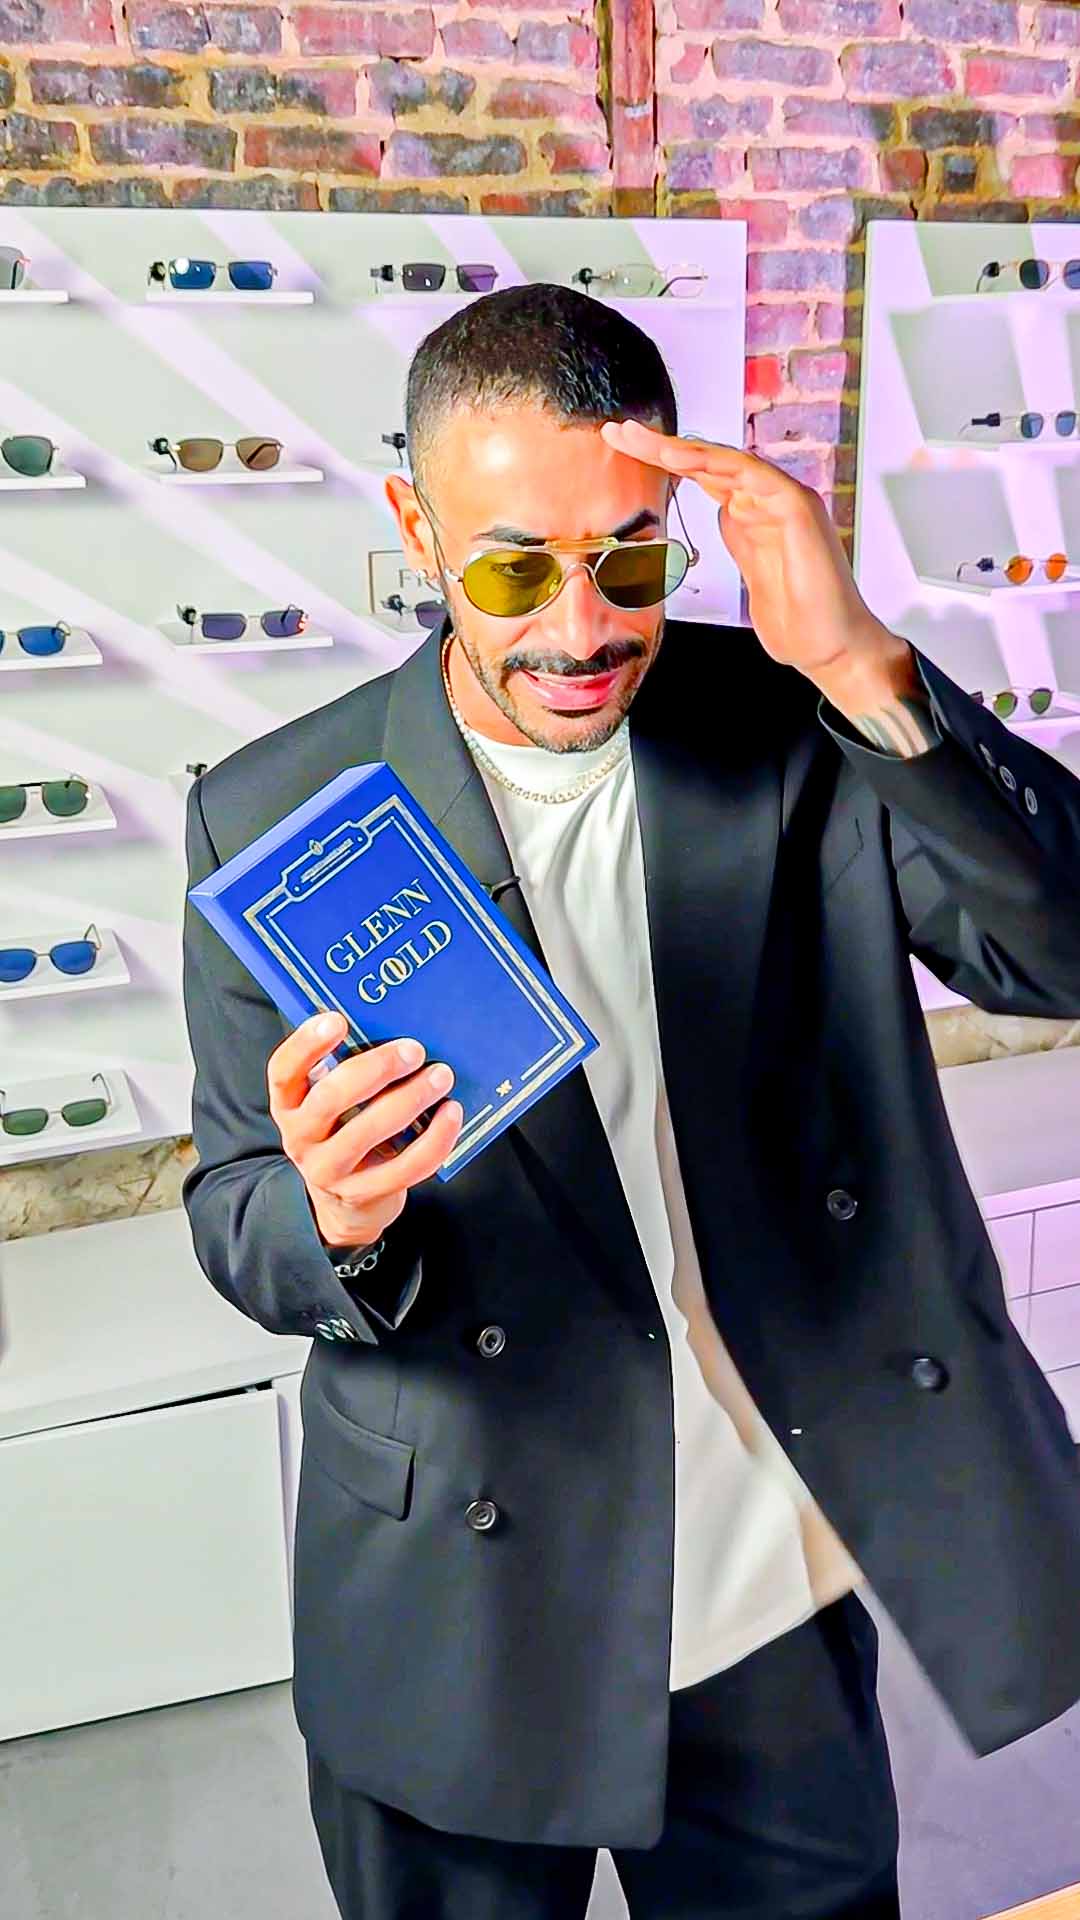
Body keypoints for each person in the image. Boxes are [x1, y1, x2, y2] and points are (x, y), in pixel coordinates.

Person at [181, 284, 1080, 1920]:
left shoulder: (797, 723)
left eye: (633, 558)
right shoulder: (276, 814)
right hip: (464, 1612)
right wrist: (336, 1214)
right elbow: (237, 1217)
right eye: (515, 568)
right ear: (417, 530)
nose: (583, 626)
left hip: (765, 1595)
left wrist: (862, 661)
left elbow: (1060, 954)